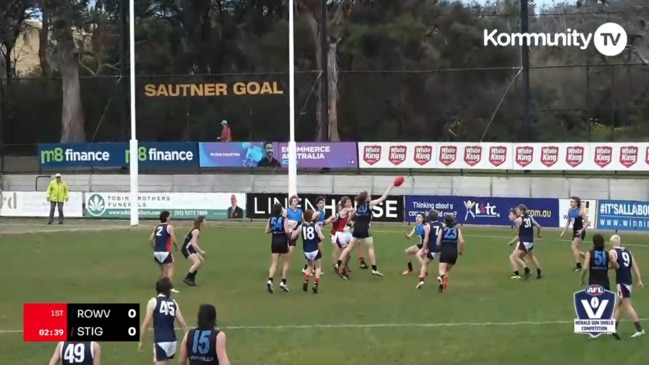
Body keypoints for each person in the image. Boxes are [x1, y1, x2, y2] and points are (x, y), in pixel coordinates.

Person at [336, 182, 395, 277]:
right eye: (369, 195)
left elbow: (352, 214)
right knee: (370, 248)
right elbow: (383, 198)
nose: (370, 196)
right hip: (365, 228)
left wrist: (349, 222)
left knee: (349, 247)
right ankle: (374, 269)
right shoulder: (370, 204)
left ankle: (338, 263)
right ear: (366, 198)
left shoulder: (358, 205)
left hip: (356, 228)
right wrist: (390, 188)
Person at [139, 277, 189, 364]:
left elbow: (146, 323)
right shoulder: (173, 303)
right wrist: (188, 341)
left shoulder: (153, 301)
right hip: (173, 341)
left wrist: (142, 341)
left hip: (161, 341)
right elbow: (182, 323)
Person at [609, 235, 645, 338]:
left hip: (621, 281)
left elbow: (615, 264)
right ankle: (613, 328)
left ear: (612, 242)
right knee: (619, 305)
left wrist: (608, 267)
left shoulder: (612, 252)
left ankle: (639, 329)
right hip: (628, 281)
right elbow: (635, 266)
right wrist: (639, 280)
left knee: (627, 305)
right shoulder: (627, 252)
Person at [507, 205, 543, 280]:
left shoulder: (518, 220)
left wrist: (512, 242)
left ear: (521, 211)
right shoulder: (530, 217)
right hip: (531, 241)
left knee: (515, 256)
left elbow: (519, 235)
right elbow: (538, 226)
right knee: (531, 256)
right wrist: (538, 234)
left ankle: (527, 270)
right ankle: (539, 271)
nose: (516, 211)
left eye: (518, 210)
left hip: (524, 241)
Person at [150, 211, 180, 293]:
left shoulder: (157, 227)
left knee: (161, 270)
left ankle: (158, 286)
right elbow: (173, 239)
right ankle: (169, 287)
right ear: (167, 217)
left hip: (156, 252)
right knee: (170, 268)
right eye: (169, 216)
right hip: (165, 251)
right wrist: (177, 247)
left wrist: (154, 247)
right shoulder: (169, 227)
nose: (170, 218)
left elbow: (150, 239)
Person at [436, 214, 465, 293]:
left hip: (445, 251)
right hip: (453, 253)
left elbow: (438, 242)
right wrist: (461, 251)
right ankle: (444, 283)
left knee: (441, 270)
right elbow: (462, 242)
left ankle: (442, 278)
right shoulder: (457, 230)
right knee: (447, 270)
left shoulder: (442, 229)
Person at [266, 203, 291, 293]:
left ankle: (270, 280)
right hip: (283, 241)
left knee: (274, 262)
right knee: (286, 261)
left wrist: (274, 229)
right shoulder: (284, 219)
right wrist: (289, 237)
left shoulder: (270, 219)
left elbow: (267, 231)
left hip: (274, 241)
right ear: (281, 210)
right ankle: (283, 281)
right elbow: (287, 231)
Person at [415, 210, 444, 288]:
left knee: (425, 264)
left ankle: (421, 280)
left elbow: (426, 239)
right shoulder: (442, 224)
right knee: (441, 265)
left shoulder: (428, 226)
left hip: (432, 249)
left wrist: (424, 249)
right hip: (440, 249)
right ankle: (441, 278)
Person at [560, 196, 589, 271]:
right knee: (576, 250)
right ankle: (589, 258)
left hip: (580, 232)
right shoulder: (570, 211)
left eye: (572, 202)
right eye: (570, 202)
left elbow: (587, 222)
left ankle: (579, 266)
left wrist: (581, 230)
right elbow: (568, 222)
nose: (571, 203)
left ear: (576, 203)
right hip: (574, 232)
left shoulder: (580, 211)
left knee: (574, 247)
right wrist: (563, 232)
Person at [301, 209, 325, 293]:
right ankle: (315, 284)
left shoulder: (302, 226)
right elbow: (322, 238)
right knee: (318, 267)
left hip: (306, 250)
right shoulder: (315, 226)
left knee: (309, 266)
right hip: (315, 249)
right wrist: (317, 235)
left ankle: (306, 281)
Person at [302, 196, 326, 275]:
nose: (322, 204)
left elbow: (322, 223)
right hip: (313, 236)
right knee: (314, 252)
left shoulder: (322, 213)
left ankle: (315, 268)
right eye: (320, 203)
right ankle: (307, 268)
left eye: (323, 203)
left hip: (318, 235)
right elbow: (310, 222)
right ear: (317, 205)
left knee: (319, 252)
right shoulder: (316, 213)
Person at [182, 216, 207, 287]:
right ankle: (187, 278)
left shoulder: (196, 229)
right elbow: (193, 242)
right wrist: (201, 251)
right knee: (197, 262)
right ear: (201, 222)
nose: (206, 222)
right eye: (205, 221)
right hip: (187, 248)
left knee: (201, 261)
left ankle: (191, 279)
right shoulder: (196, 231)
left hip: (190, 248)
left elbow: (187, 237)